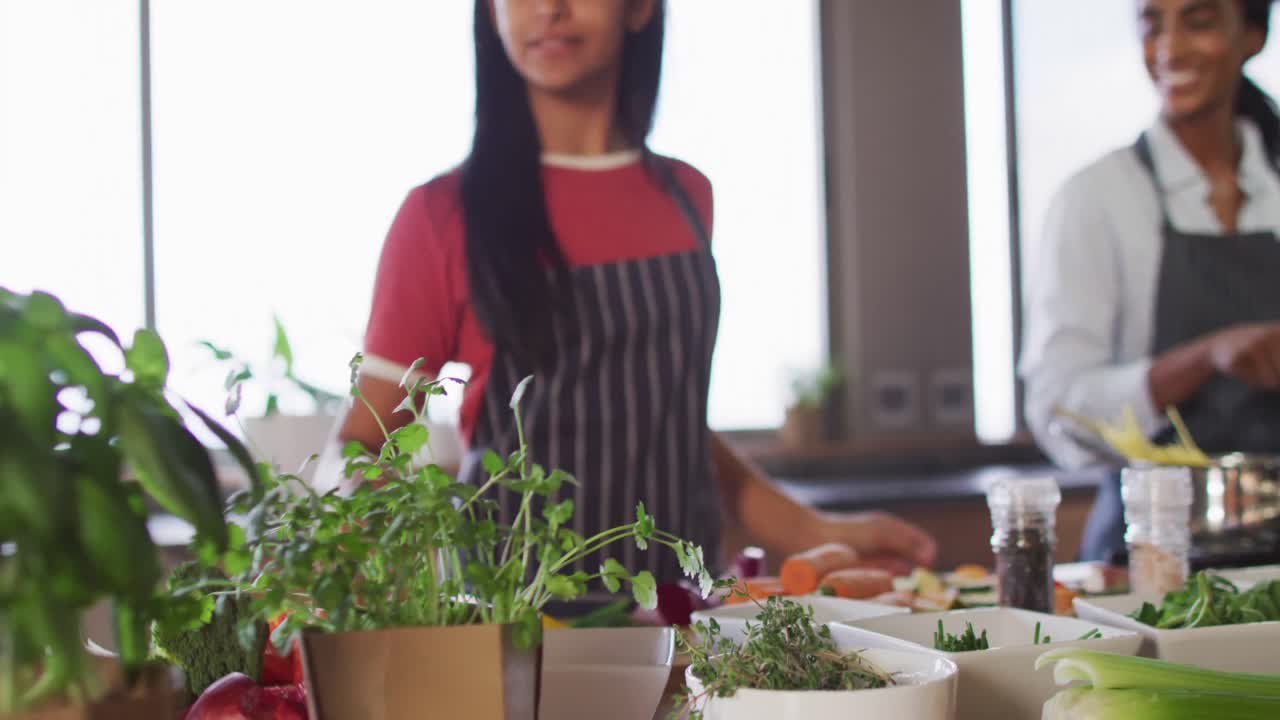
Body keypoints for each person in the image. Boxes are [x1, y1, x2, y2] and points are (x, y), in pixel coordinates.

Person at [335, 0, 936, 582]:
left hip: (684, 622)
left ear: (641, 6)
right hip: (516, 626)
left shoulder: (687, 196)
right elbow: (366, 444)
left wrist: (813, 530)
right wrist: (385, 579)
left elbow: (668, 421)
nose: (548, 7)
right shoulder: (441, 216)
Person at [1023, 0, 1280, 561]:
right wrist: (1205, 357)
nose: (1170, 48)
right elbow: (1057, 409)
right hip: (1145, 564)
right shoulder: (1097, 198)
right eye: (1152, 24)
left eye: (1199, 21)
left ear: (1252, 36)